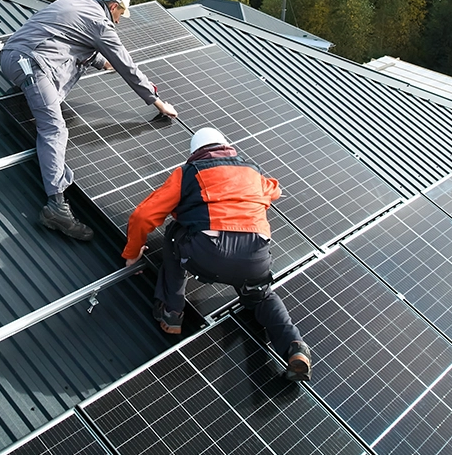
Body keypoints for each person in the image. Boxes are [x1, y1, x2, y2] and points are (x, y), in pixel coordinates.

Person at [122, 126, 312, 382]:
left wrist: (132, 252)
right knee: (262, 297)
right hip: (255, 258)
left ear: (195, 153)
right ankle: (294, 347)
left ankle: (172, 312)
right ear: (225, 147)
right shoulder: (252, 171)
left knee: (174, 233)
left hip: (209, 254)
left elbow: (143, 216)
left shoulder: (188, 173)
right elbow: (274, 190)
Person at [1, 0, 178, 241]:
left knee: (53, 113)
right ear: (114, 5)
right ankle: (56, 207)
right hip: (31, 63)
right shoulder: (100, 23)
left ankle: (56, 198)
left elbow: (66, 37)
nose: (119, 21)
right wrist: (157, 101)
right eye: (120, 14)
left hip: (18, 57)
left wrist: (102, 62)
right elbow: (127, 65)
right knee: (54, 128)